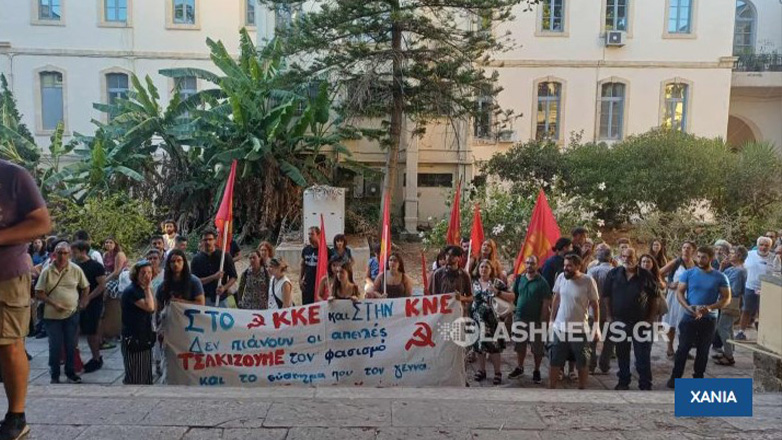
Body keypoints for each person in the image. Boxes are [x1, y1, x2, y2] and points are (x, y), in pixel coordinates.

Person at [0, 159, 51, 440]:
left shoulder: (13, 175)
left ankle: (16, 417)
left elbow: (41, 222)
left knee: (9, 344)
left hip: (5, 275)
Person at [667, 246, 730, 389]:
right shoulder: (688, 273)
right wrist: (687, 307)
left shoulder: (720, 277)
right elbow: (680, 292)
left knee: (703, 350)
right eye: (699, 257)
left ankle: (698, 379)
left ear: (711, 259)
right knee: (683, 348)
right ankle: (675, 377)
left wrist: (709, 308)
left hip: (709, 318)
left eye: (704, 257)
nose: (700, 260)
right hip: (689, 316)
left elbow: (726, 298)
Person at [602, 247, 658, 390]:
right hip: (619, 321)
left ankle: (645, 383)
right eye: (624, 256)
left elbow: (654, 298)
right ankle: (623, 381)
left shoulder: (646, 275)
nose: (627, 259)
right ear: (621, 257)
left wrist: (650, 319)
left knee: (642, 355)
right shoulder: (613, 274)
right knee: (622, 354)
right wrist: (609, 316)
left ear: (636, 258)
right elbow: (606, 296)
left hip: (641, 322)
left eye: (630, 257)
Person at [35, 242, 87, 385]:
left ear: (69, 254)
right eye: (59, 253)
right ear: (54, 254)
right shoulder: (47, 271)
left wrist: (83, 301)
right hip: (52, 315)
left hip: (71, 313)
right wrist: (54, 304)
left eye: (65, 253)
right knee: (55, 345)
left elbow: (85, 286)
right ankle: (55, 373)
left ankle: (71, 372)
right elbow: (39, 292)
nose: (62, 256)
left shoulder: (76, 269)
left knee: (71, 344)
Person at [548, 253, 599, 390]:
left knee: (582, 360)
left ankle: (582, 388)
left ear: (578, 266)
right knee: (555, 359)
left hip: (580, 329)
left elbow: (595, 304)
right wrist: (552, 320)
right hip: (560, 327)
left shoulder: (588, 281)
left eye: (569, 266)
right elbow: (556, 298)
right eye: (565, 265)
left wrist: (596, 327)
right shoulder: (561, 277)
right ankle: (551, 388)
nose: (566, 268)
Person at [509, 255, 551, 384]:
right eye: (527, 263)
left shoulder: (542, 282)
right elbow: (514, 296)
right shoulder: (520, 279)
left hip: (536, 320)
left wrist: (543, 321)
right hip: (520, 318)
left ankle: (536, 370)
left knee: (537, 348)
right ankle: (520, 367)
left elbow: (546, 303)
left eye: (532, 263)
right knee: (519, 346)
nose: (529, 265)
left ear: (537, 265)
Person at [471, 259, 514, 385]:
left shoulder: (497, 283)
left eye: (486, 267)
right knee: (479, 347)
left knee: (494, 347)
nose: (483, 269)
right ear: (478, 269)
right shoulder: (474, 283)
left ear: (491, 270)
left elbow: (512, 296)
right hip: (477, 320)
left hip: (493, 321)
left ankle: (497, 372)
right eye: (481, 267)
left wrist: (498, 292)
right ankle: (481, 370)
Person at [70, 241, 106, 374]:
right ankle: (74, 359)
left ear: (83, 251)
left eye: (75, 252)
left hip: (93, 303)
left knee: (92, 332)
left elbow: (102, 285)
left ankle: (96, 358)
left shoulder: (96, 266)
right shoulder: (74, 266)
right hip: (76, 302)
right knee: (74, 330)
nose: (73, 255)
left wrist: (88, 298)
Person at [121, 260, 157, 385]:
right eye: (143, 273)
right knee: (136, 375)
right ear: (136, 274)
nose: (147, 276)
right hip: (134, 337)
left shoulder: (141, 289)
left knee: (145, 373)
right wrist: (147, 288)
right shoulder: (132, 291)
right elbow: (150, 307)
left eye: (149, 272)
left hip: (143, 336)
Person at [660, 241, 696, 357]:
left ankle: (683, 349)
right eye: (684, 247)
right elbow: (659, 273)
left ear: (693, 250)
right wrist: (668, 284)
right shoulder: (676, 262)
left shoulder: (695, 264)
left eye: (688, 248)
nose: (685, 249)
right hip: (674, 296)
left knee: (685, 323)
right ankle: (670, 348)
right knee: (672, 320)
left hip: (689, 297)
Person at [713, 246, 747, 366]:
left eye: (732, 253)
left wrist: (721, 290)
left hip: (730, 301)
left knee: (722, 327)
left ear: (739, 256)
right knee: (728, 328)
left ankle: (729, 356)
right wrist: (721, 267)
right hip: (726, 300)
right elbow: (718, 278)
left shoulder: (739, 271)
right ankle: (729, 351)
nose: (729, 255)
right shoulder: (732, 268)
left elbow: (735, 290)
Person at [736, 236, 774, 340]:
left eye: (766, 245)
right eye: (761, 245)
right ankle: (741, 331)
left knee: (764, 312)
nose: (763, 247)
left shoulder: (773, 257)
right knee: (746, 310)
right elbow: (740, 265)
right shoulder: (749, 254)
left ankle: (763, 335)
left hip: (766, 289)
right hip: (750, 287)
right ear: (757, 245)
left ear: (770, 247)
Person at [191, 229, 238, 308]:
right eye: (205, 240)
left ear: (215, 240)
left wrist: (224, 288)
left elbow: (233, 276)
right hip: (204, 299)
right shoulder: (196, 260)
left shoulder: (225, 256)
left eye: (210, 239)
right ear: (201, 242)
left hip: (221, 299)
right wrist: (213, 277)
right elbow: (195, 281)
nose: (208, 242)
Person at [586, 245, 614, 374]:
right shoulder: (616, 271)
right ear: (610, 258)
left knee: (591, 340)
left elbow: (587, 292)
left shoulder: (592, 271)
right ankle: (605, 365)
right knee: (609, 341)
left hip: (593, 310)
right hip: (611, 312)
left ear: (598, 258)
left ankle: (591, 365)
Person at [300, 227, 331, 305]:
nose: (310, 236)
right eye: (309, 234)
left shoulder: (325, 250)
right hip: (308, 282)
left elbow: (331, 267)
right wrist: (300, 279)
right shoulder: (306, 250)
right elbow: (302, 265)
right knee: (307, 305)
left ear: (318, 235)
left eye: (312, 234)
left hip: (320, 282)